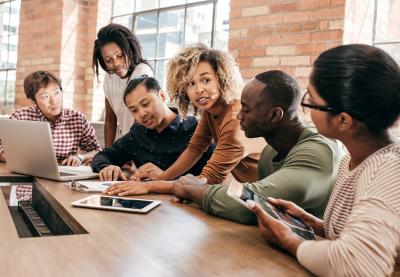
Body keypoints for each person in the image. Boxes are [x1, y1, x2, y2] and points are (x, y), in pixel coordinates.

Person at [247, 44, 400, 276]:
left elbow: (356, 264)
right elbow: (355, 236)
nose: (304, 108)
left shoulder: (388, 170)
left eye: (310, 100)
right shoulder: (353, 158)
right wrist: (310, 222)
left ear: (343, 121)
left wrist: (287, 240)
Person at [168, 70, 345, 224]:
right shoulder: (269, 154)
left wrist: (191, 188)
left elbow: (251, 206)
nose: (239, 116)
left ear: (275, 115)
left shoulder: (319, 153)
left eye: (246, 109)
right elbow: (253, 199)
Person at [104, 44, 259, 196]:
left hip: (266, 194)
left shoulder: (235, 118)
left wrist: (150, 186)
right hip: (249, 190)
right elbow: (195, 149)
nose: (198, 90)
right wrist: (161, 178)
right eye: (191, 83)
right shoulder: (210, 111)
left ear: (221, 78)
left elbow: (209, 179)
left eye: (206, 80)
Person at [91, 75, 214, 181]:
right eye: (134, 110)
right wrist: (107, 167)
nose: (142, 113)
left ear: (162, 96)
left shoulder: (196, 129)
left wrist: (165, 177)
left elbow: (212, 178)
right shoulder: (137, 135)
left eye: (145, 104)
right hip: (144, 203)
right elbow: (102, 156)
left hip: (186, 205)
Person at [0, 71, 101, 165]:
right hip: (27, 172)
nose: (54, 101)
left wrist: (80, 157)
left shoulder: (78, 119)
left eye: (57, 93)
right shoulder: (20, 117)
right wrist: (22, 161)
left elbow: (97, 151)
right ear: (33, 100)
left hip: (64, 172)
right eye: (45, 96)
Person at [92, 23, 153, 147]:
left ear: (129, 49)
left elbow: (140, 121)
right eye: (108, 60)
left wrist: (127, 153)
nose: (116, 63)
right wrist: (108, 155)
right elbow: (110, 120)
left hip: (146, 143)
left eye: (119, 55)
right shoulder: (109, 79)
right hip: (130, 143)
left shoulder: (142, 71)